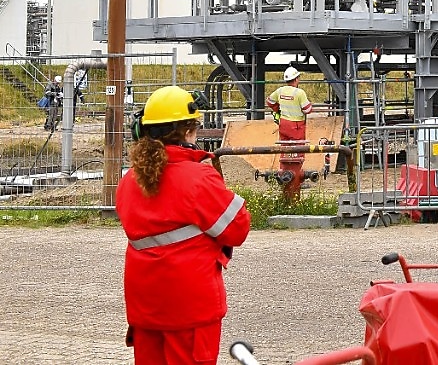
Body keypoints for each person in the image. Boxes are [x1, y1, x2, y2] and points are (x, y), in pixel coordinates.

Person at [116, 86, 250, 365]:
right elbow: (237, 230)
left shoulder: (130, 180)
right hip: (190, 306)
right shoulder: (198, 177)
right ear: (187, 131)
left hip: (146, 304)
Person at [267, 66, 312, 201]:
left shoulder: (280, 91)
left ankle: (283, 175)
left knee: (284, 150)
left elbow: (269, 101)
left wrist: (278, 110)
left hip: (283, 124)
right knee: (299, 151)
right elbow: (307, 109)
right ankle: (297, 179)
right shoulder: (300, 93)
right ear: (296, 79)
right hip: (296, 125)